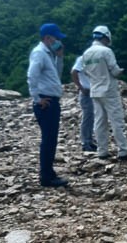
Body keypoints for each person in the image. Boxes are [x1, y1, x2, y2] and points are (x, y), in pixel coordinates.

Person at [81, 24, 127, 161]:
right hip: (109, 90)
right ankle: (123, 150)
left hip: (95, 91)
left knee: (99, 122)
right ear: (106, 37)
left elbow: (85, 72)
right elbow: (115, 71)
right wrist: (121, 71)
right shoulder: (106, 51)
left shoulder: (86, 53)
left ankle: (102, 151)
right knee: (116, 120)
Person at [27, 22, 69, 187]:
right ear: (47, 38)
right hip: (46, 101)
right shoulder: (39, 53)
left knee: (51, 139)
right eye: (56, 38)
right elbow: (31, 76)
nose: (58, 40)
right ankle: (46, 176)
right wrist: (37, 99)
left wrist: (60, 57)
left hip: (51, 99)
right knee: (48, 139)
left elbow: (56, 76)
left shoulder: (49, 54)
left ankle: (49, 173)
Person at [71, 55, 97, 152]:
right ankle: (85, 142)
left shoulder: (97, 58)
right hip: (87, 92)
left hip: (95, 91)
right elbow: (74, 72)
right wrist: (81, 87)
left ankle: (90, 140)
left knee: (92, 117)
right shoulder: (83, 58)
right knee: (88, 116)